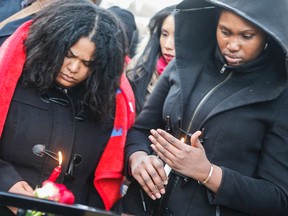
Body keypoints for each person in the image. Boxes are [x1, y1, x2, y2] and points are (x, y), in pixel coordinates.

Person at [112, 0, 288, 215]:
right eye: (225, 32)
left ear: (268, 35)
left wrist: (208, 173)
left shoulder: (279, 95)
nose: (232, 45)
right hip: (138, 207)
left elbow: (278, 198)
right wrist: (138, 158)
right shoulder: (185, 63)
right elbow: (140, 131)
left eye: (246, 36)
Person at [0, 0, 135, 215]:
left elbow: (99, 178)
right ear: (53, 45)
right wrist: (7, 184)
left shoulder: (107, 103)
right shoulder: (12, 78)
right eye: (69, 56)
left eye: (87, 63)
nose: (73, 69)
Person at [126, 5, 176, 114]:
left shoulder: (194, 81)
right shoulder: (137, 69)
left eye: (177, 36)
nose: (168, 45)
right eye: (164, 34)